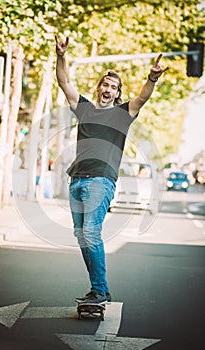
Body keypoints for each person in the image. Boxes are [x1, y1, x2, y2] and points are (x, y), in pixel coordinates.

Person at [55, 35, 168, 304]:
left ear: (117, 93)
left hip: (101, 181)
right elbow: (64, 83)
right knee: (82, 236)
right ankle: (99, 288)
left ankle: (99, 290)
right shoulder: (84, 109)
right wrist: (61, 56)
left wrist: (151, 79)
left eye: (113, 87)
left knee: (91, 233)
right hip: (76, 181)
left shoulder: (122, 113)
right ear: (99, 88)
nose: (108, 88)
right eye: (105, 84)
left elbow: (142, 98)